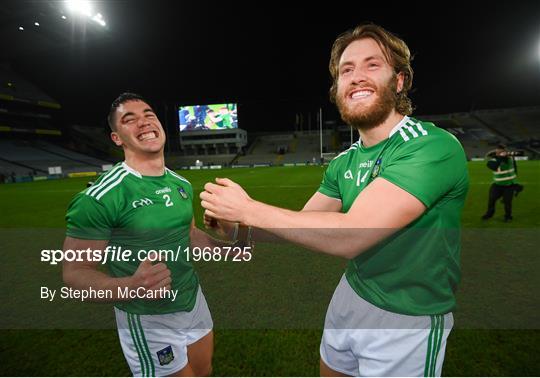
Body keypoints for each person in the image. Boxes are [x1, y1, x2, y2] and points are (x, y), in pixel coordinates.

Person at [201, 23, 469, 377]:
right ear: (337, 87)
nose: (357, 76)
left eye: (372, 65)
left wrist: (249, 208)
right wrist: (240, 228)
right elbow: (302, 222)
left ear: (399, 80)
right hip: (352, 292)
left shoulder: (431, 146)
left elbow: (354, 235)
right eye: (347, 69)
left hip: (407, 316)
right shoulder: (345, 161)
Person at [63, 93, 228, 377]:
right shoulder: (101, 197)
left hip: (192, 299)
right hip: (148, 316)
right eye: (130, 120)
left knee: (204, 371)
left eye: (148, 114)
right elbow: (75, 273)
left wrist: (231, 245)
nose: (144, 122)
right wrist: (132, 285)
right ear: (117, 138)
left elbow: (189, 236)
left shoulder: (181, 184)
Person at [481, 144, 524, 222]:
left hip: (509, 185)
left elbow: (521, 153)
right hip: (497, 185)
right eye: (498, 152)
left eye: (502, 152)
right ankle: (489, 214)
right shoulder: (492, 161)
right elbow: (494, 166)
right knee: (491, 200)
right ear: (496, 153)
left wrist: (509, 153)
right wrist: (500, 157)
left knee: (507, 202)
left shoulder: (510, 158)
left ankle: (508, 216)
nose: (501, 153)